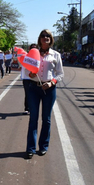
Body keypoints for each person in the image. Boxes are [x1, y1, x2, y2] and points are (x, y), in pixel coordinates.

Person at [26, 29, 64, 159]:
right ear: (39, 38)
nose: (45, 37)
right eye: (43, 35)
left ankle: (43, 146)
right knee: (33, 119)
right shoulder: (33, 54)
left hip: (49, 89)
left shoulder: (56, 55)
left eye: (48, 36)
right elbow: (27, 71)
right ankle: (30, 148)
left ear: (51, 39)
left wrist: (52, 82)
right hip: (33, 88)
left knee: (46, 119)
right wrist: (30, 74)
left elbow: (60, 74)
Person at [21, 44, 37, 115]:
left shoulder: (38, 57)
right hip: (26, 78)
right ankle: (27, 108)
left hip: (35, 78)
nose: (33, 50)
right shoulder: (25, 56)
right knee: (27, 93)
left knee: (35, 94)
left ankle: (33, 109)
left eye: (35, 48)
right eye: (32, 48)